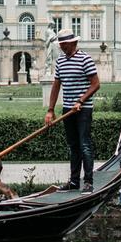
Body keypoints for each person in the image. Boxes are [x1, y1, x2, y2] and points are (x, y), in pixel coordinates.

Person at [44, 28, 101, 194]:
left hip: (83, 109)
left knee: (85, 144)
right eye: (60, 44)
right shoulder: (60, 61)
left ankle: (88, 182)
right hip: (68, 108)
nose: (62, 47)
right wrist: (50, 110)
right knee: (73, 146)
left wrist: (81, 100)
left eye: (64, 44)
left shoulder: (85, 59)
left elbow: (96, 84)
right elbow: (56, 86)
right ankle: (75, 182)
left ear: (74, 43)